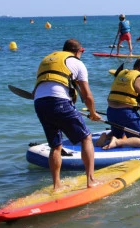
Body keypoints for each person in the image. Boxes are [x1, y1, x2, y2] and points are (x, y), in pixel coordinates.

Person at [33, 39, 102, 191]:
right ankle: (91, 180)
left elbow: (43, 86)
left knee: (56, 146)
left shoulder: (47, 59)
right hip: (60, 102)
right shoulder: (77, 63)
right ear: (79, 52)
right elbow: (87, 95)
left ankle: (56, 185)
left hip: (39, 103)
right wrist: (92, 113)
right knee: (86, 138)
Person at [95, 58, 140, 149]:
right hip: (126, 114)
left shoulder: (121, 74)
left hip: (111, 112)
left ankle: (106, 137)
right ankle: (118, 141)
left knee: (119, 133)